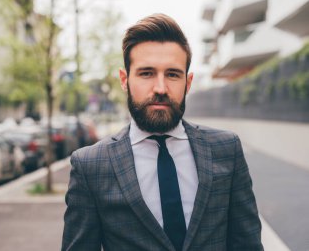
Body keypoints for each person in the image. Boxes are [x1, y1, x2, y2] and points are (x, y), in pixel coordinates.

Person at [62, 14, 263, 251]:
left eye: (172, 74)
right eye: (146, 73)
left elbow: (247, 244)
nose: (160, 88)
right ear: (124, 80)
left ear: (188, 82)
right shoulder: (90, 165)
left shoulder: (226, 149)